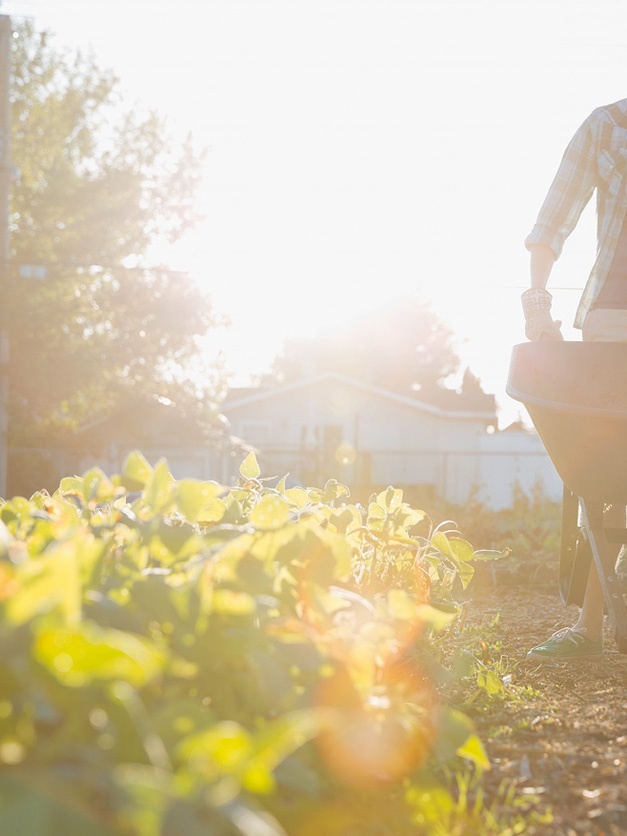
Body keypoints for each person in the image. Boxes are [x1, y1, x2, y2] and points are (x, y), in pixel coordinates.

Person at [522, 97, 627, 661]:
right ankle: (589, 628)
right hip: (615, 320)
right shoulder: (608, 127)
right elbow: (552, 222)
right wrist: (539, 310)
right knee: (609, 472)